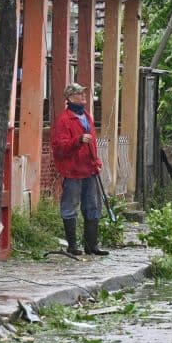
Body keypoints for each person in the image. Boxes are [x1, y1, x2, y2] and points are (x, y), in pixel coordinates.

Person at [49, 83, 109, 256]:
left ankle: (91, 246)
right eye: (79, 94)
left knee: (93, 206)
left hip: (89, 168)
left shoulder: (87, 116)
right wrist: (78, 140)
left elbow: (93, 143)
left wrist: (96, 159)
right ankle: (73, 245)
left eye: (84, 93)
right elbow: (60, 147)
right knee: (70, 207)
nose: (83, 96)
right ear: (69, 98)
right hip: (72, 171)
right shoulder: (64, 120)